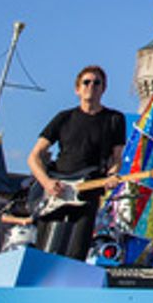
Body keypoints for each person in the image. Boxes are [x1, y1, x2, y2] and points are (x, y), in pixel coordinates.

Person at [26, 65, 125, 260]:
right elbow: (34, 155)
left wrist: (113, 175)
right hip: (57, 189)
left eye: (97, 83)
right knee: (43, 251)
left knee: (76, 252)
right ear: (77, 88)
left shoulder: (114, 119)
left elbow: (116, 158)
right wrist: (46, 182)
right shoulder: (64, 118)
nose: (91, 86)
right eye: (86, 82)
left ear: (103, 88)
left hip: (88, 190)